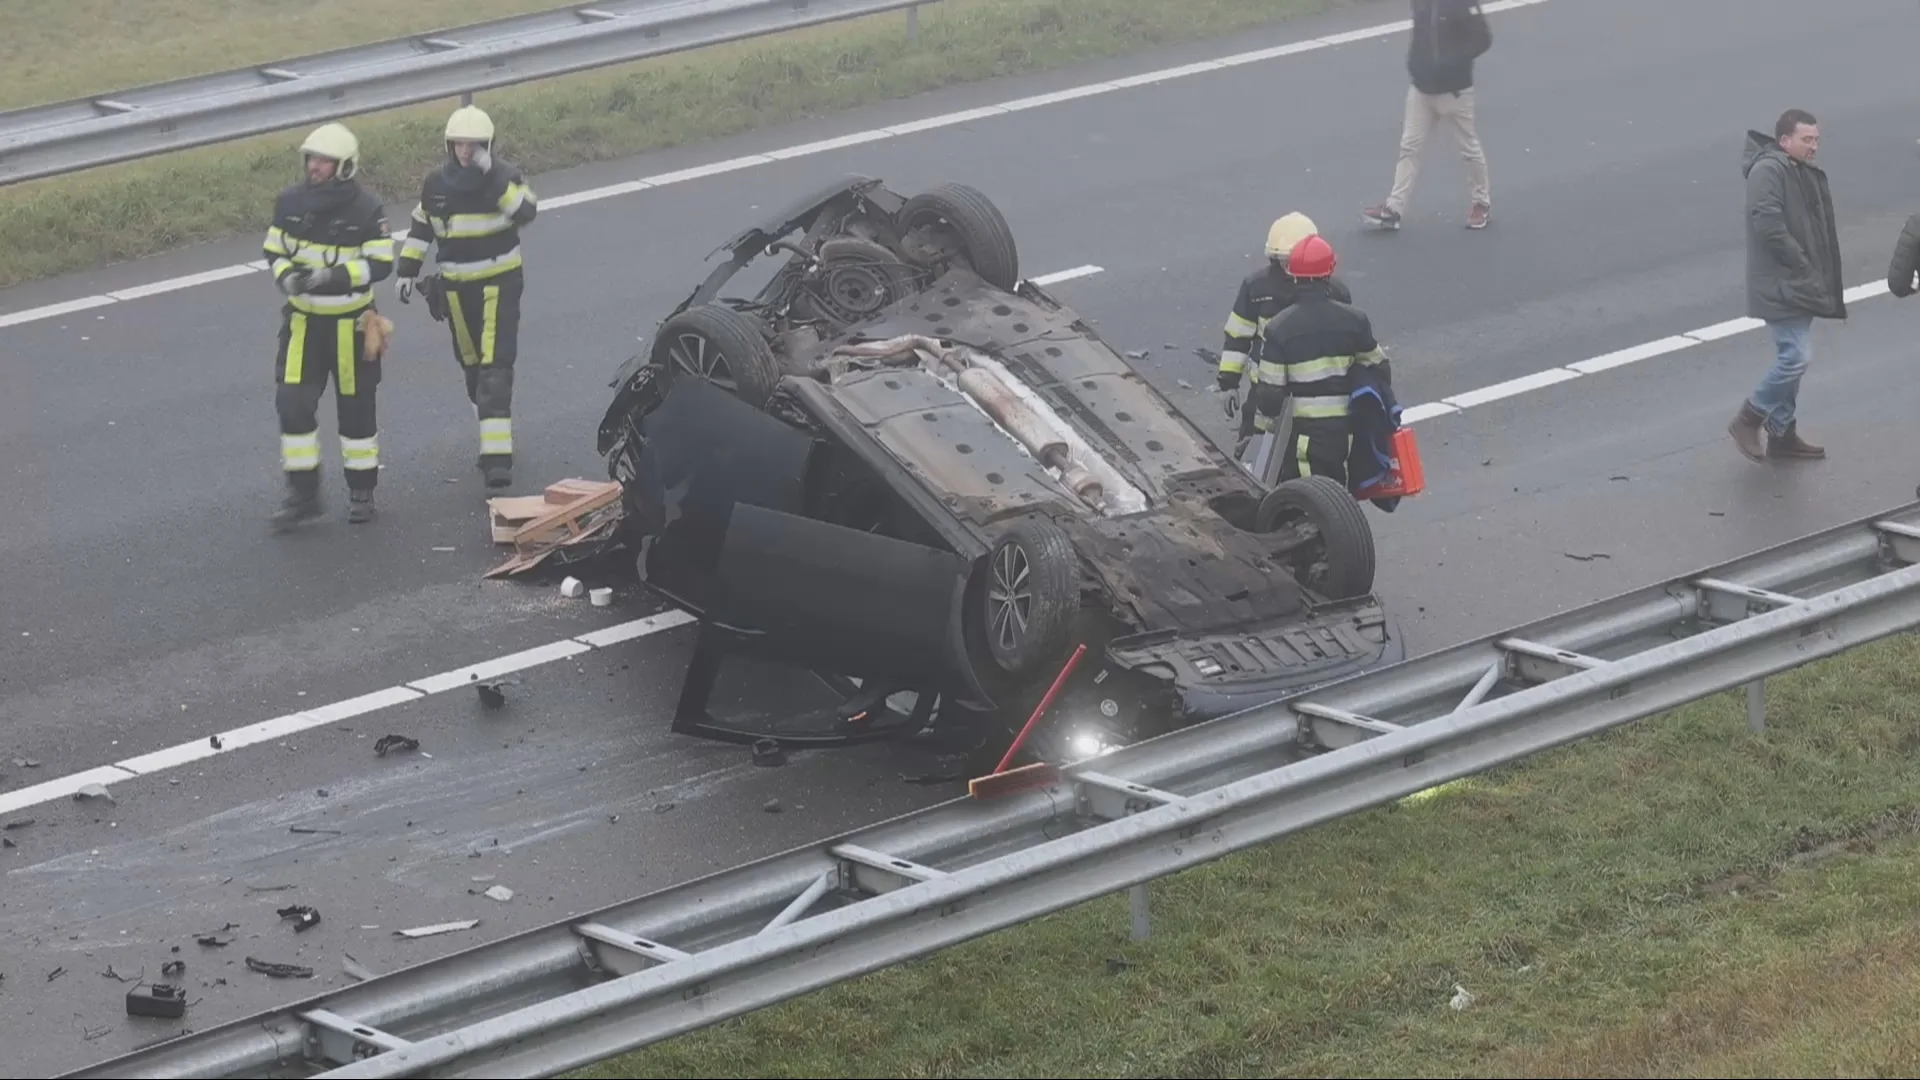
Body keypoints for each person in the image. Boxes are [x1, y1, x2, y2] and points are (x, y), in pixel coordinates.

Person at [394, 104, 540, 489]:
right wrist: (407, 270)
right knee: (473, 369)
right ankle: (494, 431)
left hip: (499, 285)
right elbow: (422, 225)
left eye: (473, 144)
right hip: (456, 291)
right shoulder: (436, 183)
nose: (465, 151)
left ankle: (497, 459)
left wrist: (490, 173)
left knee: (495, 368)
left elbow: (525, 211)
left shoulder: (506, 178)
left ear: (488, 144)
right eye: (459, 143)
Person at [263, 122, 396, 529]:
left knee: (356, 413)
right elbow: (274, 248)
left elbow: (380, 263)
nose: (315, 166)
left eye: (324, 160)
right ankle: (303, 495)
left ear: (345, 167)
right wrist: (286, 277)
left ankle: (362, 492)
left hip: (352, 326)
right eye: (312, 159)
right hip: (303, 325)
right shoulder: (289, 203)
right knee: (292, 404)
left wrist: (329, 277)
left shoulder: (367, 209)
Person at [1727, 108, 1845, 462]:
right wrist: (1801, 262)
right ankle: (1748, 419)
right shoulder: (1768, 170)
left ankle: (1782, 433)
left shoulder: (1795, 169)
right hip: (1782, 283)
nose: (1813, 147)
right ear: (1784, 140)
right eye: (1807, 139)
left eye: (1816, 140)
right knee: (1796, 356)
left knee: (1791, 357)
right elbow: (1769, 224)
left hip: (1799, 281)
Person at [1252, 235, 1389, 488]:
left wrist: (1262, 430)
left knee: (1311, 500)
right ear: (1329, 273)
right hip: (1344, 430)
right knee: (1336, 491)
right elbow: (1378, 368)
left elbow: (1270, 396)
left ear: (1293, 276)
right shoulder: (1355, 320)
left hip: (1303, 432)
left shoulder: (1279, 327)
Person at [1217, 212, 1355, 449]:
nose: (1289, 266)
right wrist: (1228, 383)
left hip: (1313, 392)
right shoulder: (1256, 288)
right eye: (1283, 259)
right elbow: (1237, 336)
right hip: (1266, 391)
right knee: (1255, 453)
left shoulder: (1335, 291)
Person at [1360, 0, 1494, 232]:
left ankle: (1481, 203)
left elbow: (1483, 38)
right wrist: (1415, 64)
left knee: (1468, 149)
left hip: (1455, 90)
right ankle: (1394, 209)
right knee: (1409, 147)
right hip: (1421, 88)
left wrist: (1452, 62)